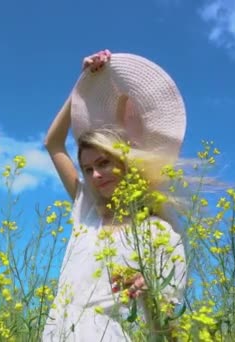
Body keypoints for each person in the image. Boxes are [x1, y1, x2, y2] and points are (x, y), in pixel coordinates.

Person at [42, 50, 188, 341]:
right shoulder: (87, 210)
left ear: (126, 162)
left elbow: (169, 329)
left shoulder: (160, 232)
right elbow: (53, 143)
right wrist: (82, 87)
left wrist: (150, 292)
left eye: (104, 163)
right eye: (87, 169)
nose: (95, 175)